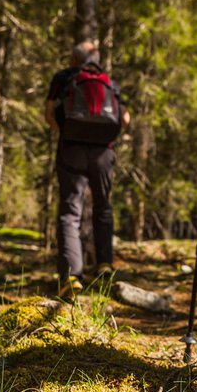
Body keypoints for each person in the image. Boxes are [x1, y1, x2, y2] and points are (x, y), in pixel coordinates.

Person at [45, 41, 130, 299]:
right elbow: (124, 118)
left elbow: (49, 114)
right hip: (104, 151)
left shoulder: (63, 78)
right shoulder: (108, 82)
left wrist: (66, 133)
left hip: (71, 148)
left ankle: (71, 276)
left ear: (74, 59)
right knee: (103, 206)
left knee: (70, 211)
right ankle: (104, 263)